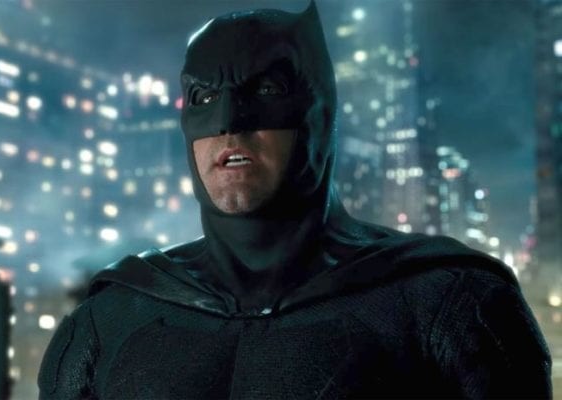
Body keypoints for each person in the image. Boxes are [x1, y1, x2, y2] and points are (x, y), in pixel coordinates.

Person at [38, 2, 552, 398]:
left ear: (320, 116)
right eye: (204, 97)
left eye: (266, 90)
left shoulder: (451, 305)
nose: (229, 121)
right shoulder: (109, 319)